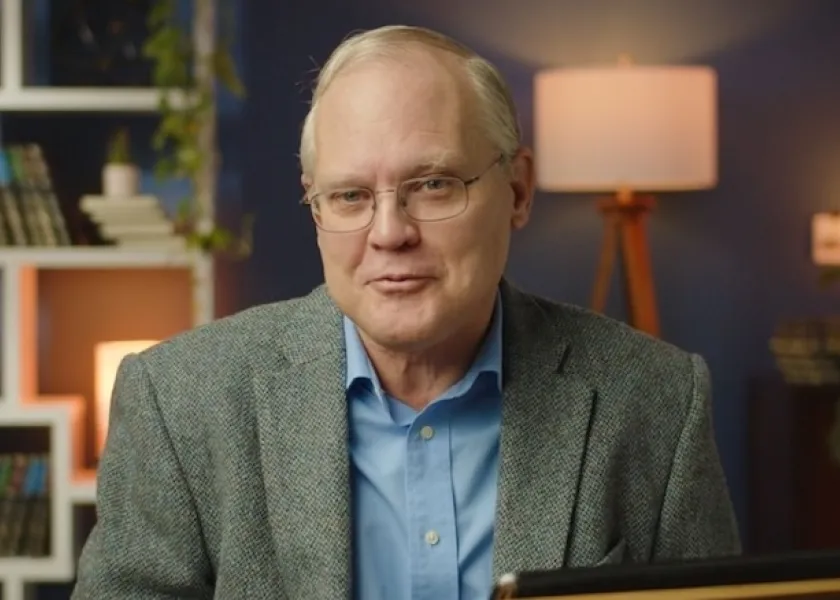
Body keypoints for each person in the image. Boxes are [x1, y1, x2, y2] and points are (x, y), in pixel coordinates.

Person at [72, 24, 740, 600]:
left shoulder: (655, 400)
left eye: (432, 185)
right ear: (316, 207)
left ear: (518, 190)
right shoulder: (181, 403)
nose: (389, 232)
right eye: (351, 196)